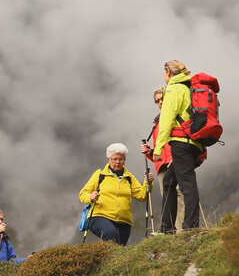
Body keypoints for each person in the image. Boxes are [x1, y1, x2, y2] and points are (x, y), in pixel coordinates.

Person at [153, 60, 205, 233]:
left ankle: (190, 226)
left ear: (168, 72)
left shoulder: (174, 89)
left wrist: (158, 149)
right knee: (169, 181)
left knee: (187, 184)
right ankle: (167, 228)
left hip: (181, 142)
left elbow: (166, 120)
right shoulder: (188, 87)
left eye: (164, 72)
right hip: (194, 142)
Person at [79, 143, 153, 245]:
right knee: (111, 235)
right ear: (109, 159)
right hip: (100, 216)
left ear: (124, 160)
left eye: (121, 159)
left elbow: (142, 195)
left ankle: (105, 260)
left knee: (119, 251)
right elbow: (83, 194)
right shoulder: (100, 175)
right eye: (114, 159)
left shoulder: (129, 177)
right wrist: (91, 197)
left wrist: (147, 182)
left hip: (124, 221)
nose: (117, 162)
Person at [140, 88, 184, 231]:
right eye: (157, 101)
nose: (160, 102)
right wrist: (150, 152)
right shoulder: (157, 123)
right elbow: (160, 151)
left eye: (162, 98)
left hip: (175, 161)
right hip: (162, 166)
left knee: (178, 195)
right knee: (167, 198)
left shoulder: (175, 116)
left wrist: (176, 157)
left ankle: (182, 230)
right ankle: (171, 230)